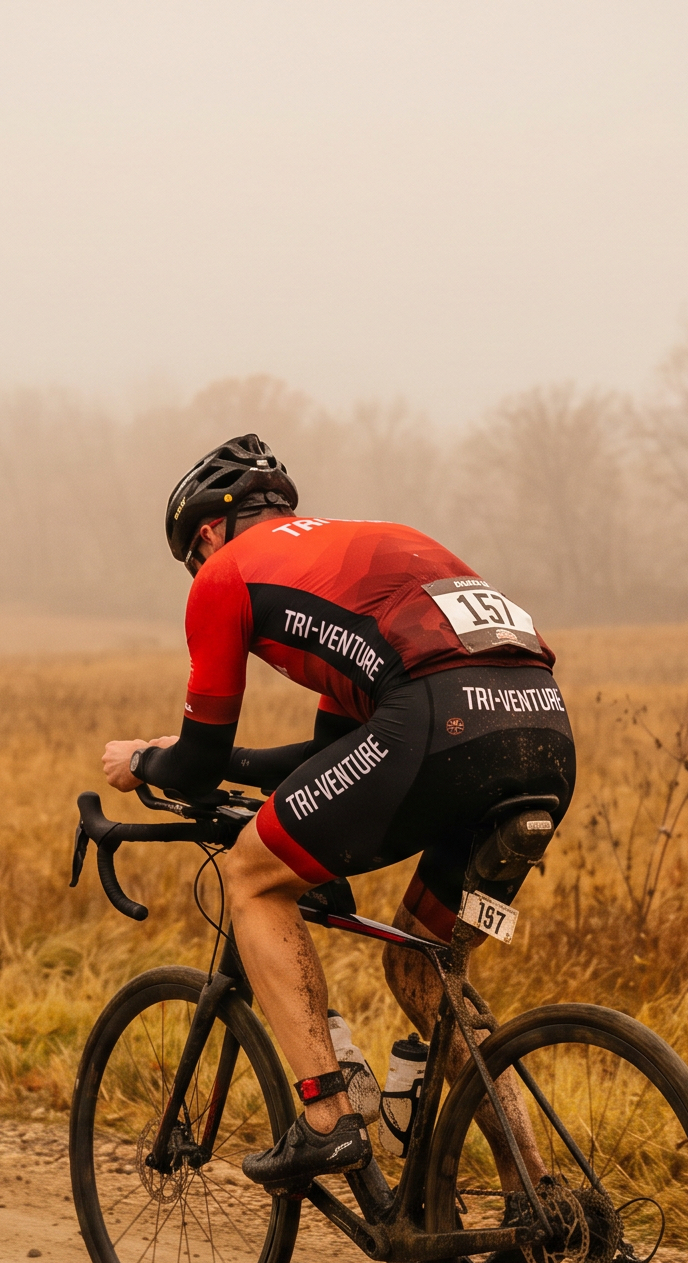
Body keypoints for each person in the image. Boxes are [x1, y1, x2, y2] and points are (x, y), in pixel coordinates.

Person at [99, 434, 577, 1196]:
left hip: (435, 721)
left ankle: (328, 1118)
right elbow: (329, 756)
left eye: (192, 555)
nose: (198, 569)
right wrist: (217, 763)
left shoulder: (224, 574)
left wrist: (146, 759)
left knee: (251, 879)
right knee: (420, 965)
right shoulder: (352, 560)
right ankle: (540, 1196)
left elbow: (196, 763)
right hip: (542, 730)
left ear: (210, 532)